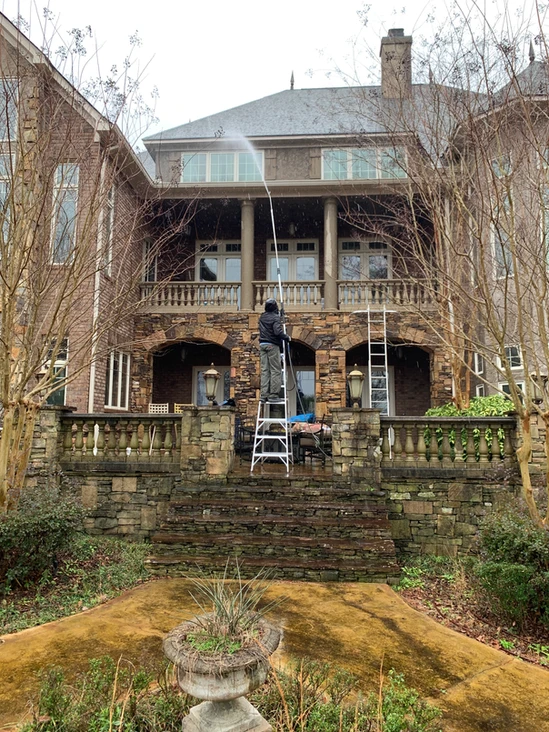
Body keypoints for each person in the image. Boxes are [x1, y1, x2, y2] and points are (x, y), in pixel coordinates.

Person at [258, 298, 290, 403]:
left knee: (265, 370)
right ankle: (273, 395)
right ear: (275, 307)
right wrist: (286, 337)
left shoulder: (262, 317)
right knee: (275, 370)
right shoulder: (275, 317)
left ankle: (263, 395)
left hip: (262, 345)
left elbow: (269, 324)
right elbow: (277, 331)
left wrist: (279, 316)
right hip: (272, 345)